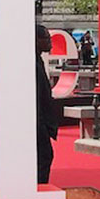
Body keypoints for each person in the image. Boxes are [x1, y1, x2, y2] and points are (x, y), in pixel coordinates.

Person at [35, 25, 60, 183]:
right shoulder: (33, 63)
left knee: (44, 156)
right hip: (37, 122)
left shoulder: (38, 60)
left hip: (40, 120)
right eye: (46, 38)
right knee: (44, 156)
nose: (50, 42)